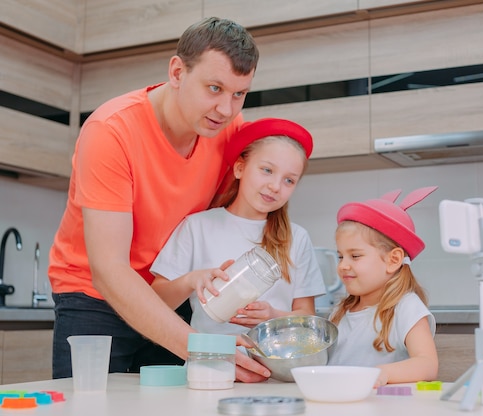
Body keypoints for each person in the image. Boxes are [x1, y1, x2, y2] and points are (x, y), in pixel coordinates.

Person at [48, 17, 270, 382]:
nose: (226, 109)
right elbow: (110, 270)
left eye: (239, 93)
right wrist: (205, 350)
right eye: (214, 88)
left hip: (167, 294)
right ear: (177, 72)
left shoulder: (224, 126)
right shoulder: (111, 132)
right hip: (95, 298)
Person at [150, 118, 326, 334]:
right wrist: (191, 280)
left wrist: (274, 316)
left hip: (271, 365)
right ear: (240, 168)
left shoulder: (297, 238)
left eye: (289, 180)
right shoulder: (197, 227)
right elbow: (155, 302)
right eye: (267, 170)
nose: (275, 186)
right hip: (211, 361)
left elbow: (307, 317)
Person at [327, 187, 439, 386]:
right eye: (340, 256)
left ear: (393, 260)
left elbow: (428, 365)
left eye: (355, 256)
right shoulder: (340, 311)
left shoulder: (406, 308)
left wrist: (381, 373)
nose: (343, 265)